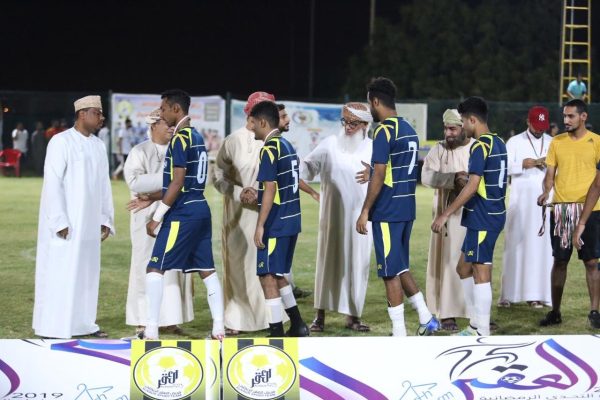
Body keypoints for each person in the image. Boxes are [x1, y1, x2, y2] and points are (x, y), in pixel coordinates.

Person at [356, 77, 439, 337]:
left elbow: (381, 174)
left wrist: (365, 210)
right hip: (406, 207)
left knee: (389, 272)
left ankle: (399, 333)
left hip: (388, 210)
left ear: (375, 101)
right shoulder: (408, 129)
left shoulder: (383, 131)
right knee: (400, 265)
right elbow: (397, 168)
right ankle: (426, 317)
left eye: (369, 102)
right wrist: (374, 172)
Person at [142, 89, 225, 340]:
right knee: (207, 269)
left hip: (183, 211)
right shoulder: (196, 136)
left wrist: (157, 216)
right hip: (200, 208)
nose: (161, 113)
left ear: (176, 109)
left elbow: (177, 182)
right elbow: (184, 181)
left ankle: (151, 330)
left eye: (164, 108)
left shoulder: (180, 139)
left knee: (155, 267)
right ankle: (219, 328)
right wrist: (152, 196)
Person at [32, 95, 114, 339]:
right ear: (82, 114)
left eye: (101, 113)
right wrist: (59, 220)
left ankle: (84, 324)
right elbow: (53, 182)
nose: (101, 118)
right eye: (97, 113)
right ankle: (54, 327)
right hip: (67, 222)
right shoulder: (61, 141)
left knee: (87, 274)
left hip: (89, 223)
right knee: (61, 273)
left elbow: (104, 185)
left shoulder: (98, 145)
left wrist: (105, 218)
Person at [211, 91, 288, 335]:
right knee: (239, 266)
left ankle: (271, 319)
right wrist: (238, 192)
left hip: (270, 215)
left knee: (269, 268)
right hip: (239, 217)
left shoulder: (276, 141)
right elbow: (217, 175)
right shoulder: (233, 140)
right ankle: (237, 320)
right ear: (251, 114)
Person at [431, 96, 508, 337]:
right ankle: (475, 324)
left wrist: (445, 214)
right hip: (489, 213)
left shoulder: (479, 146)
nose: (462, 126)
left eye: (463, 121)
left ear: (473, 120)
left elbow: (473, 186)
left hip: (484, 215)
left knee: (480, 271)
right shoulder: (499, 142)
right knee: (463, 268)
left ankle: (481, 330)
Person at [123, 109, 194, 339]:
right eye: (166, 124)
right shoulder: (139, 151)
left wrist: (172, 183)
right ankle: (143, 320)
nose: (171, 128)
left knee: (173, 268)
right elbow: (134, 181)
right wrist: (172, 180)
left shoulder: (179, 148)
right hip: (145, 217)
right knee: (144, 266)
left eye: (173, 124)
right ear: (153, 125)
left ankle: (171, 320)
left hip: (174, 213)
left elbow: (186, 182)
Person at [301, 102, 373, 333]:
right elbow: (304, 169)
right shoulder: (330, 145)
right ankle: (319, 316)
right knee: (327, 264)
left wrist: (374, 173)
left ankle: (354, 317)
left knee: (358, 265)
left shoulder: (373, 149)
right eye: (345, 122)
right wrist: (311, 190)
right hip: (331, 218)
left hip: (361, 219)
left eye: (354, 123)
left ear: (365, 125)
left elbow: (386, 178)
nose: (348, 127)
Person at [537, 99, 600, 329]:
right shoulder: (557, 142)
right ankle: (555, 312)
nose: (566, 120)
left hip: (591, 210)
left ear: (583, 117)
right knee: (560, 261)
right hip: (561, 209)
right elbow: (550, 175)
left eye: (571, 116)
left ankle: (595, 312)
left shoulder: (597, 142)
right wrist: (546, 192)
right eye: (564, 115)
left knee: (592, 262)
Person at [250, 100, 310, 337]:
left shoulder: (269, 149)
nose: (251, 128)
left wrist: (260, 225)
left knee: (266, 275)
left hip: (276, 222)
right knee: (277, 274)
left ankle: (276, 332)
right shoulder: (286, 145)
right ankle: (298, 325)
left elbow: (270, 189)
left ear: (263, 123)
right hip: (291, 220)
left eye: (253, 123)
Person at [421, 109, 473, 331]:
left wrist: (468, 180)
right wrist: (453, 178)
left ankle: (475, 312)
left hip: (471, 214)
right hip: (446, 217)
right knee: (448, 262)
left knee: (474, 263)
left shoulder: (475, 148)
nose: (448, 133)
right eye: (446, 129)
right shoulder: (439, 149)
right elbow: (426, 176)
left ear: (463, 128)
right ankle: (447, 313)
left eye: (453, 129)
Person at [499, 106, 553, 308]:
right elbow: (503, 168)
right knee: (515, 246)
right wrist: (522, 164)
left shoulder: (552, 142)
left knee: (541, 250)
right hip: (520, 204)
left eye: (543, 126)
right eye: (536, 125)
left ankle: (537, 295)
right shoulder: (514, 142)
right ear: (528, 122)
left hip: (543, 204)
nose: (540, 129)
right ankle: (508, 295)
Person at [279, 103, 318, 299]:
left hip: (284, 214)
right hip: (287, 214)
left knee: (278, 265)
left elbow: (291, 178)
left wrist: (312, 192)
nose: (288, 120)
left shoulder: (281, 146)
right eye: (283, 116)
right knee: (279, 265)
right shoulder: (282, 146)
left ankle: (286, 298)